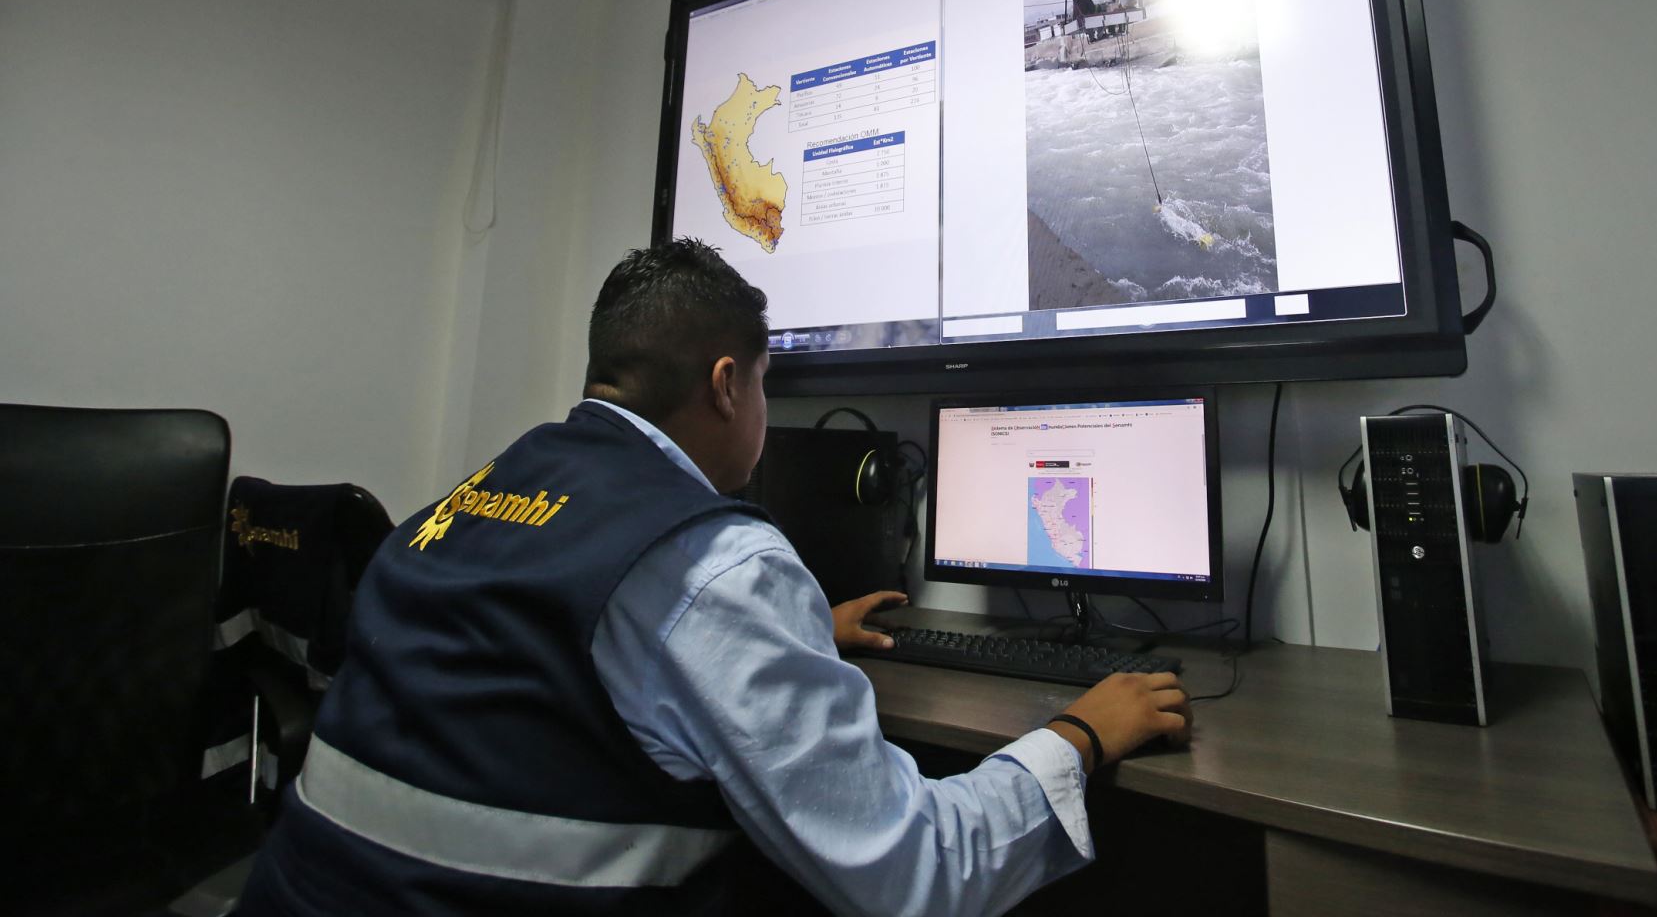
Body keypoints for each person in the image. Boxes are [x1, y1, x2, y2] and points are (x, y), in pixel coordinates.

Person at [236, 238, 1191, 916]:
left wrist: (798, 632)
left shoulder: (488, 489)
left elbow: (549, 676)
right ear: (729, 384)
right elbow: (915, 876)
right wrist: (1079, 734)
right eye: (767, 387)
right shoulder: (717, 561)